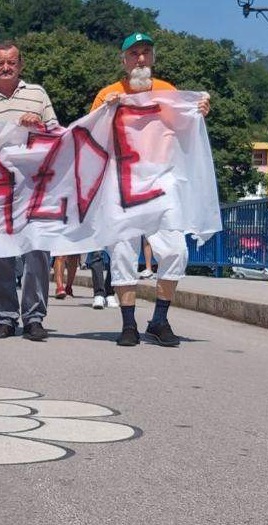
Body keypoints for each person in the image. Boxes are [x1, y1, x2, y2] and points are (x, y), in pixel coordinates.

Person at [92, 32, 211, 347]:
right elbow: (90, 139)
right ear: (124, 60)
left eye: (145, 52)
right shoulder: (108, 94)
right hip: (121, 180)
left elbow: (185, 128)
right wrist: (104, 112)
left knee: (175, 250)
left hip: (161, 178)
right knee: (121, 251)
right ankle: (128, 324)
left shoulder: (168, 92)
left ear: (153, 57)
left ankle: (159, 320)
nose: (140, 59)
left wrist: (197, 110)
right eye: (134, 54)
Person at [0, 41, 60, 342]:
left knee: (37, 253)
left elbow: (58, 137)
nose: (6, 67)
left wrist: (38, 126)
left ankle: (34, 317)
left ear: (21, 65)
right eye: (0, 62)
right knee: (0, 255)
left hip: (33, 190)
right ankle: (5, 316)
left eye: (12, 62)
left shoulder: (38, 95)